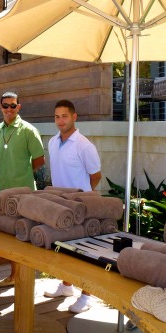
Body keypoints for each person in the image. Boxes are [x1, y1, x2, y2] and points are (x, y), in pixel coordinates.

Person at [44, 99, 102, 313]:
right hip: (60, 204)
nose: (60, 120)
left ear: (74, 117)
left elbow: (96, 176)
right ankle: (67, 286)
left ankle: (87, 296)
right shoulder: (51, 142)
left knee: (85, 251)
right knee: (65, 249)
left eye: (65, 116)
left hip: (81, 206)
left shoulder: (84, 145)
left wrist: (82, 195)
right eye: (57, 116)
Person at [0, 91, 45, 288]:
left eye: (13, 105)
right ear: (0, 107)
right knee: (10, 236)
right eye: (5, 105)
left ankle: (24, 275)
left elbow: (40, 159)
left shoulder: (29, 130)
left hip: (24, 193)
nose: (9, 109)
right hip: (4, 190)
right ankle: (14, 275)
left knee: (24, 234)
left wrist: (24, 172)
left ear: (18, 107)